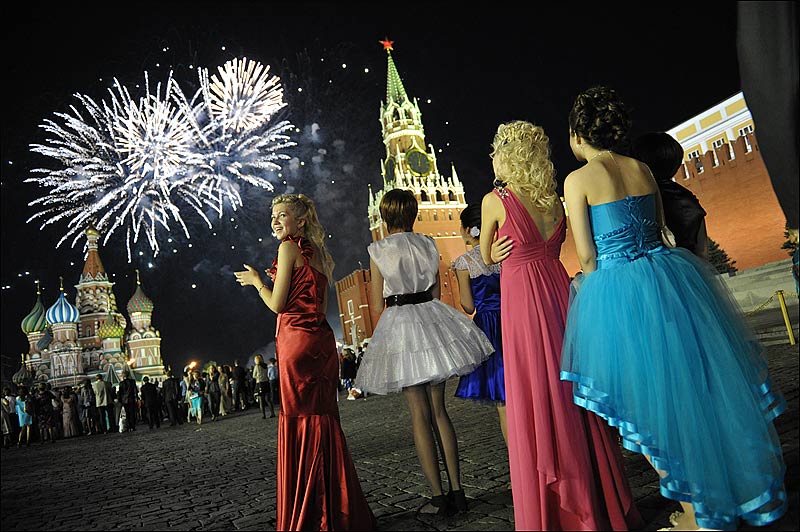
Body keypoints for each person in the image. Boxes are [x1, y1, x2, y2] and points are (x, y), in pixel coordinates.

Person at [559, 86, 787, 531]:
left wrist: (588, 290)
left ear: (578, 135)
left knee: (649, 403)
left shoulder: (578, 180)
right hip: (670, 278)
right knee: (695, 391)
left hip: (619, 289)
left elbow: (586, 256)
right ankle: (713, 499)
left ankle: (694, 510)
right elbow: (660, 230)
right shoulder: (641, 168)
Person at [483, 120, 642, 531]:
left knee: (537, 389)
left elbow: (486, 257)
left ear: (505, 155)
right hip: (560, 295)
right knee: (573, 385)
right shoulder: (554, 200)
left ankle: (558, 506)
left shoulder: (494, 200)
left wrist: (493, 254)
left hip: (522, 304)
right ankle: (598, 496)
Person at [234, 192, 376, 530]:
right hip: (320, 342)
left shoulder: (288, 249)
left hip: (295, 342)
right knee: (324, 419)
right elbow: (319, 305)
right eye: (273, 216)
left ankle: (310, 513)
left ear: (300, 220)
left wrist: (257, 283)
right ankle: (335, 509)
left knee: (299, 421)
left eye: (282, 215)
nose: (275, 221)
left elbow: (277, 304)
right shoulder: (321, 255)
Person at [357, 188, 494, 516]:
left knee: (419, 415)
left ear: (385, 217)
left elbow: (375, 305)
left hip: (401, 326)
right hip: (432, 321)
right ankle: (458, 491)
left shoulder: (378, 250)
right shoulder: (428, 244)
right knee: (440, 413)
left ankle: (437, 498)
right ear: (413, 215)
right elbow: (435, 292)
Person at [451, 203, 507, 447]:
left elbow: (468, 306)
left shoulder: (464, 263)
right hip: (512, 320)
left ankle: (518, 459)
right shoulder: (504, 253)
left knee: (502, 400)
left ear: (467, 230)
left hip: (489, 328)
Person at [631, 131, 708, 259]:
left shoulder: (639, 199)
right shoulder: (689, 200)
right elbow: (702, 252)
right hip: (689, 266)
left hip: (652, 267)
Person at [252, 355, 275, 419]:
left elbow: (254, 375)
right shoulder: (265, 365)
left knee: (261, 400)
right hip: (266, 383)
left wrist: (258, 376)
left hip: (260, 383)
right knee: (268, 399)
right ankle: (272, 413)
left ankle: (263, 415)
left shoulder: (257, 366)